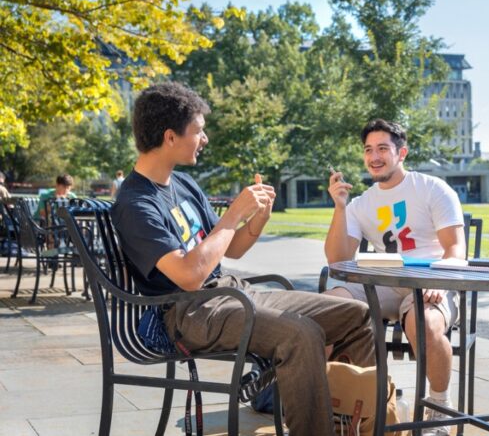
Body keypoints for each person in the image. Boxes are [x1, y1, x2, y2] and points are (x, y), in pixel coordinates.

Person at [111, 82, 375, 435]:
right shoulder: (136, 203)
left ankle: (356, 421)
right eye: (199, 132)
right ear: (170, 137)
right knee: (301, 333)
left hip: (227, 293)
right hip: (187, 312)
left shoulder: (184, 185)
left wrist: (257, 219)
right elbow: (189, 276)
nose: (204, 140)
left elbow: (230, 249)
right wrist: (233, 214)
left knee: (355, 314)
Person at [324, 118, 466, 436]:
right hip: (385, 283)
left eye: (383, 149)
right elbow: (336, 260)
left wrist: (438, 281)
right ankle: (325, 404)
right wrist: (339, 208)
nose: (375, 156)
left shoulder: (432, 189)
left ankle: (438, 408)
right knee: (328, 308)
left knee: (424, 324)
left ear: (401, 152)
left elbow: (456, 251)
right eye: (368, 149)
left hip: (433, 282)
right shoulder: (361, 204)